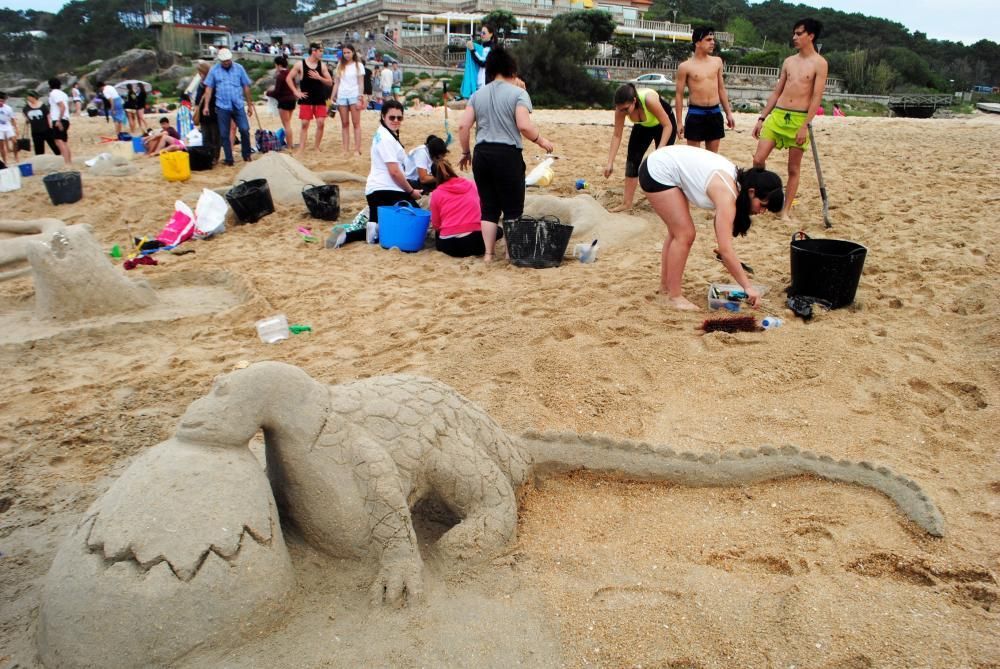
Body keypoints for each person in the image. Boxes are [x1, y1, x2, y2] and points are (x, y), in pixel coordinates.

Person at [640, 145, 783, 311]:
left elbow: (723, 240)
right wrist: (748, 287)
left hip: (662, 162)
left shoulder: (737, 184)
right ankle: (674, 296)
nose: (762, 211)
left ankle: (666, 287)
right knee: (684, 234)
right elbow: (726, 251)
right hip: (657, 171)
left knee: (676, 232)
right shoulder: (727, 194)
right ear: (751, 192)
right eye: (763, 205)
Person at [458, 47, 553, 262]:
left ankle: (489, 255)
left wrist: (465, 151)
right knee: (512, 209)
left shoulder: (476, 95)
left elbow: (463, 126)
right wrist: (542, 141)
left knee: (489, 208)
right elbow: (524, 126)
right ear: (512, 69)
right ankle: (512, 254)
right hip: (507, 154)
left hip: (482, 154)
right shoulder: (519, 94)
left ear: (490, 70)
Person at [752, 18, 828, 222]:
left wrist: (805, 125)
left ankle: (785, 210)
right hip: (778, 115)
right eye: (794, 33)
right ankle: (763, 195)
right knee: (758, 159)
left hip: (799, 119)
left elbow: (816, 97)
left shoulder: (820, 64)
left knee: (793, 168)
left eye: (799, 33)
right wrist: (762, 117)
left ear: (810, 36)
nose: (794, 37)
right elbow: (777, 91)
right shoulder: (789, 61)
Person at [603, 83, 677, 212]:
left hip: (664, 125)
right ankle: (626, 203)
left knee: (663, 163)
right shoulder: (621, 110)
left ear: (634, 101)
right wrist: (610, 162)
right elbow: (616, 135)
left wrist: (659, 150)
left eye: (626, 109)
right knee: (632, 161)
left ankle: (667, 200)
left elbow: (668, 126)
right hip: (643, 126)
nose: (623, 112)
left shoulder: (649, 101)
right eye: (620, 109)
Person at [674, 26, 735, 153]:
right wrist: (679, 122)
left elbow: (721, 89)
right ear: (697, 42)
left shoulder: (717, 62)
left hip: (714, 113)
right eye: (708, 39)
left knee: (712, 157)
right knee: (694, 157)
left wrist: (728, 113)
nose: (712, 42)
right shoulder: (685, 66)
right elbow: (679, 95)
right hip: (696, 114)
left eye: (713, 39)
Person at [364, 100, 421, 231]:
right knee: (414, 220)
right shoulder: (386, 138)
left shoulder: (383, 132)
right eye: (392, 117)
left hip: (378, 188)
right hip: (386, 189)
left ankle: (360, 231)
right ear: (383, 116)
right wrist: (411, 191)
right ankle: (352, 235)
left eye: (399, 118)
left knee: (382, 226)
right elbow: (394, 172)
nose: (396, 120)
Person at [428, 155, 496, 258]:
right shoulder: (472, 185)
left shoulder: (436, 194)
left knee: (439, 234)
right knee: (496, 230)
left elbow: (436, 224)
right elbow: (483, 209)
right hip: (474, 242)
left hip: (448, 246)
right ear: (451, 170)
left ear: (434, 177)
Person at [201, 48, 255, 166]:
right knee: (224, 134)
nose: (226, 62)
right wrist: (206, 106)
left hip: (238, 104)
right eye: (224, 61)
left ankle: (246, 154)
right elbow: (209, 88)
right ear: (220, 60)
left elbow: (246, 86)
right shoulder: (214, 70)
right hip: (222, 106)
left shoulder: (239, 68)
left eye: (228, 60)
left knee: (244, 129)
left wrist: (250, 104)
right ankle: (229, 159)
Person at [286, 42, 334, 156]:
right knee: (304, 123)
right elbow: (289, 78)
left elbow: (330, 82)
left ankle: (316, 147)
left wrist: (319, 77)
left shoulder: (322, 66)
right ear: (314, 51)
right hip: (306, 98)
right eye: (320, 51)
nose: (322, 53)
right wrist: (295, 92)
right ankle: (301, 148)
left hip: (320, 98)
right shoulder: (300, 64)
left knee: (321, 123)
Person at [332, 43, 366, 155]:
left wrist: (360, 96)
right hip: (342, 96)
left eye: (348, 52)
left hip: (354, 95)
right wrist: (332, 97)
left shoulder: (358, 65)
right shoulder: (339, 65)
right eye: (344, 52)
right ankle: (345, 149)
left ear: (353, 52)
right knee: (344, 124)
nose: (346, 55)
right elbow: (336, 83)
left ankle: (357, 149)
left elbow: (361, 83)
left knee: (356, 123)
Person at [192, 61, 220, 164]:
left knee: (215, 137)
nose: (200, 74)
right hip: (203, 115)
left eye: (200, 72)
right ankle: (207, 156)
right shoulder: (200, 85)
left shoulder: (214, 83)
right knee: (206, 137)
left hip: (214, 114)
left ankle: (215, 157)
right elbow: (197, 100)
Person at [269, 55, 297, 148]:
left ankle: (289, 145)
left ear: (278, 65)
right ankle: (290, 143)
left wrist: (268, 93)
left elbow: (277, 92)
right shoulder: (291, 74)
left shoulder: (280, 76)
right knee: (288, 123)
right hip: (292, 100)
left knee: (286, 124)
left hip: (284, 101)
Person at [462, 24, 496, 98]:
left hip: (486, 82)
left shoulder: (492, 48)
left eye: (484, 33)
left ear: (491, 34)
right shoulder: (482, 47)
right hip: (480, 81)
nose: (481, 35)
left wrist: (473, 50)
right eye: (481, 33)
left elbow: (483, 63)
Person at [22, 91, 59, 156]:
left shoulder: (42, 105)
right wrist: (27, 119)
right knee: (38, 149)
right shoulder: (27, 107)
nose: (28, 98)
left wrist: (50, 126)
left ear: (33, 97)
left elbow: (48, 116)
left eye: (29, 97)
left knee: (54, 146)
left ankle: (61, 157)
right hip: (35, 131)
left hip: (46, 129)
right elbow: (25, 115)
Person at [48, 79, 72, 165]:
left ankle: (66, 162)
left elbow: (62, 107)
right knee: (64, 141)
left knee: (59, 141)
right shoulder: (63, 94)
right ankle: (69, 161)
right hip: (66, 119)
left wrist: (58, 120)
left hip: (59, 119)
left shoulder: (53, 93)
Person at [0, 92, 18, 165]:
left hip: (8, 126)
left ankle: (16, 157)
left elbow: (12, 119)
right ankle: (5, 161)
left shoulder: (8, 108)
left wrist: (16, 128)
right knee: (1, 146)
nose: (1, 102)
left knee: (15, 142)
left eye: (2, 101)